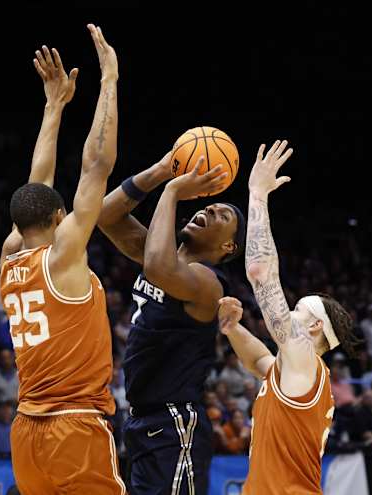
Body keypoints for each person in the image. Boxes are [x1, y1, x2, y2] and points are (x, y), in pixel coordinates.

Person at [0, 29, 125, 495]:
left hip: (26, 429)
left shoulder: (11, 256)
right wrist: (109, 79)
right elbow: (96, 167)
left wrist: (54, 107)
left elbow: (37, 185)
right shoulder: (62, 257)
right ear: (58, 216)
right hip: (73, 425)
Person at [98, 119, 245, 494]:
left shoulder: (208, 284)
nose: (210, 211)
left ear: (228, 247)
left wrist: (174, 190)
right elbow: (104, 216)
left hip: (175, 423)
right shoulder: (158, 254)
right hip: (143, 423)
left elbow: (158, 267)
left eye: (222, 216)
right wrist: (161, 171)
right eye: (210, 206)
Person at [217, 141, 358, 494]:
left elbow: (261, 273)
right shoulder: (300, 373)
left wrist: (257, 194)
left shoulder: (304, 358)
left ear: (314, 327)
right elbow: (258, 361)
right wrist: (233, 329)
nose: (288, 312)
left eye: (298, 310)